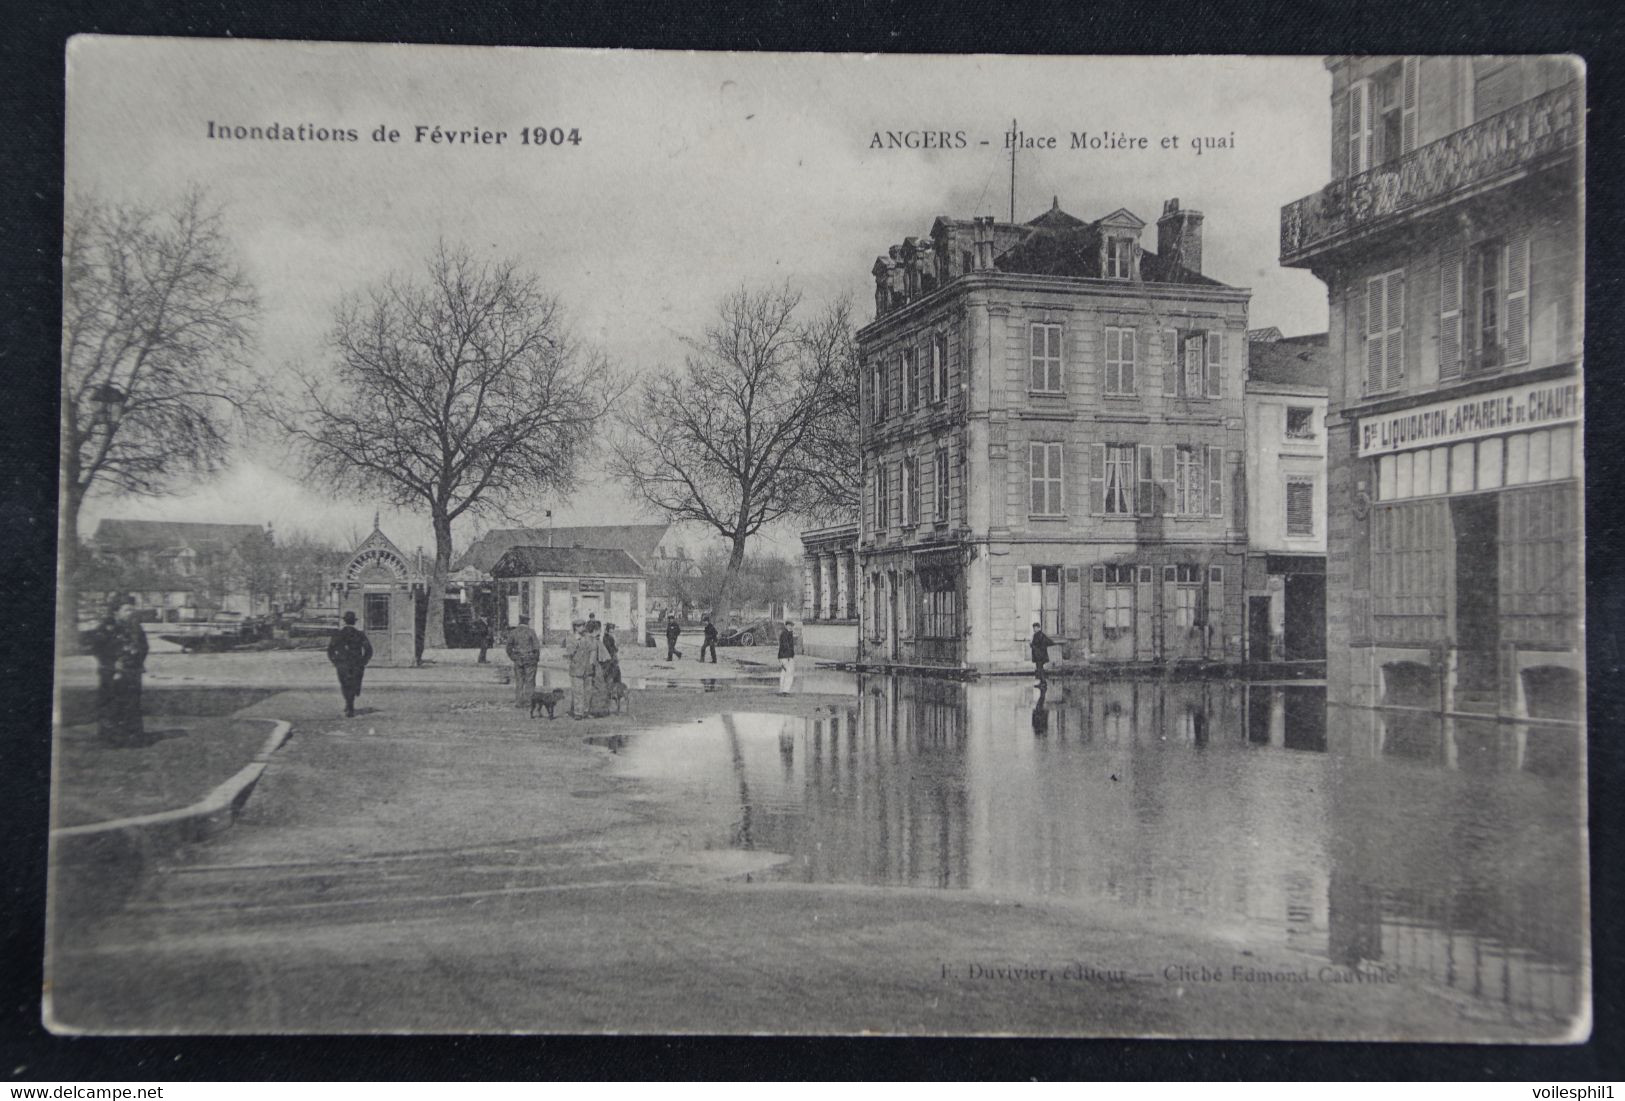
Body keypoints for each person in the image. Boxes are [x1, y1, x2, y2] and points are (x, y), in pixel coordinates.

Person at [88, 596, 149, 743]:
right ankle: (110, 737)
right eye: (127, 610)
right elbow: (97, 648)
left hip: (132, 672)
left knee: (132, 703)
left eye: (133, 610)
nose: (131, 613)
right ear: (116, 611)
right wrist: (113, 662)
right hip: (112, 672)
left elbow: (144, 647)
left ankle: (132, 736)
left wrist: (136, 657)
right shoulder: (106, 628)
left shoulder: (136, 627)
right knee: (111, 704)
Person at [327, 610, 373, 718]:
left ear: (344, 621)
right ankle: (350, 706)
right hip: (356, 663)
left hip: (342, 664)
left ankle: (349, 705)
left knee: (345, 685)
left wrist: (335, 661)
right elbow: (369, 650)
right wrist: (363, 661)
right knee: (354, 684)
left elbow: (330, 650)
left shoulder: (338, 634)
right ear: (354, 622)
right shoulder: (360, 634)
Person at [504, 613, 541, 708]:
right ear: (527, 621)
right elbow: (536, 647)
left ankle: (519, 702)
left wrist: (513, 657)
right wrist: (536, 659)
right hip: (530, 659)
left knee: (519, 681)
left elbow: (508, 647)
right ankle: (529, 702)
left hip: (518, 659)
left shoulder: (514, 632)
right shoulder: (531, 632)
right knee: (530, 681)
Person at [566, 619, 595, 719]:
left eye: (583, 626)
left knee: (588, 692)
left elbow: (592, 650)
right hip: (576, 669)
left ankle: (586, 711)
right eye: (580, 626)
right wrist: (576, 644)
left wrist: (591, 662)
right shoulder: (570, 638)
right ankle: (578, 712)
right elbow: (569, 653)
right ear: (575, 627)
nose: (582, 628)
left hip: (587, 668)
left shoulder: (587, 638)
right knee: (578, 692)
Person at [586, 621, 613, 716]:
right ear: (596, 630)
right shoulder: (595, 641)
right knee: (600, 688)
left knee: (590, 689)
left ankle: (589, 710)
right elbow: (605, 657)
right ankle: (597, 710)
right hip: (595, 667)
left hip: (587, 667)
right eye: (599, 630)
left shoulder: (585, 640)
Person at [1030, 622, 1054, 686]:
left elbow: (1049, 642)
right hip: (1038, 655)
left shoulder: (1040, 635)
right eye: (1033, 628)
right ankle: (1042, 682)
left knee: (1040, 669)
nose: (1034, 629)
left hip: (1040, 656)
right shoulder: (1036, 635)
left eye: (1035, 628)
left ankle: (1043, 682)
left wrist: (1033, 646)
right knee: (1039, 668)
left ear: (1038, 628)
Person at [777, 620, 797, 695]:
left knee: (784, 673)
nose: (791, 627)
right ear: (786, 626)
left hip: (783, 656)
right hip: (786, 656)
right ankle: (785, 690)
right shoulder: (786, 634)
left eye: (792, 626)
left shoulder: (786, 633)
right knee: (789, 672)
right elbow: (786, 646)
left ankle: (782, 690)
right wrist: (789, 656)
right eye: (789, 625)